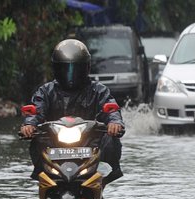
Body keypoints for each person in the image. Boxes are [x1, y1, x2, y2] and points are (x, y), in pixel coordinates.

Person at [20, 39, 125, 187]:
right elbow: (36, 111)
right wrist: (29, 125)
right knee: (37, 140)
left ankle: (101, 178)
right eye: (65, 69)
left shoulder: (99, 91)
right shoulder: (45, 91)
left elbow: (111, 109)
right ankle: (43, 177)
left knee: (110, 139)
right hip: (54, 145)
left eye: (76, 69)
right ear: (56, 69)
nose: (70, 74)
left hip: (89, 145)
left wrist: (114, 123)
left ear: (86, 68)